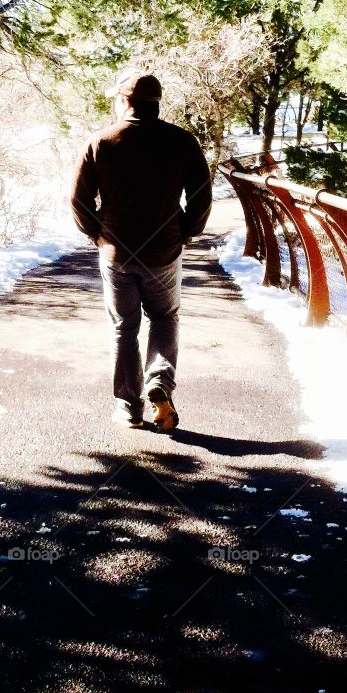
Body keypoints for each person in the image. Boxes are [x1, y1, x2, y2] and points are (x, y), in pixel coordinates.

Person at [70, 70, 213, 431]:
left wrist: (96, 235)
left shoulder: (101, 141)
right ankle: (160, 383)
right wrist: (186, 233)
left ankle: (128, 408)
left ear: (124, 101)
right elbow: (200, 195)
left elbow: (77, 199)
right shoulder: (182, 141)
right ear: (156, 104)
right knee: (164, 319)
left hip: (116, 252)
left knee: (124, 328)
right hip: (163, 251)